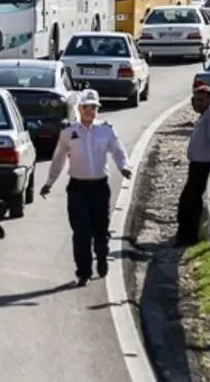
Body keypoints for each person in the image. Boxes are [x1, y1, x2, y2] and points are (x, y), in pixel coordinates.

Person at [40, 89, 133, 286]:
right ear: (79, 109)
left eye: (93, 107)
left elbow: (118, 151)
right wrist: (49, 182)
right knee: (81, 231)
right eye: (85, 107)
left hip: (99, 187)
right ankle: (83, 272)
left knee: (101, 229)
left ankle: (101, 256)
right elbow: (58, 159)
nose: (90, 111)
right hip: (78, 189)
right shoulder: (68, 133)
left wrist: (124, 167)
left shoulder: (106, 130)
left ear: (98, 109)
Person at [175, 84, 210, 246]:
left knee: (190, 202)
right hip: (198, 165)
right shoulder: (206, 114)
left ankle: (188, 237)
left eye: (201, 100)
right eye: (195, 100)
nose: (197, 103)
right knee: (189, 201)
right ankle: (186, 234)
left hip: (204, 166)